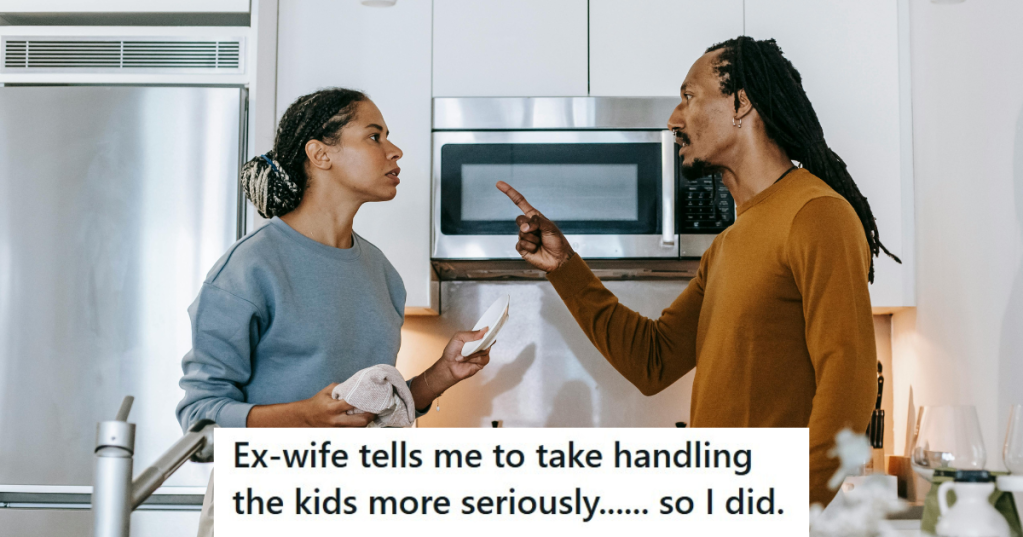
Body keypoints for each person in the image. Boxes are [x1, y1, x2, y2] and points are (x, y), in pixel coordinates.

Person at [497, 36, 900, 506]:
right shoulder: (726, 245)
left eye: (689, 96)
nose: (674, 119)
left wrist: (787, 509)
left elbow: (848, 387)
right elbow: (652, 360)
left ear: (741, 104)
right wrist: (564, 267)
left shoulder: (816, 214)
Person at [177, 87, 491, 432]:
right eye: (374, 137)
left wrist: (441, 374)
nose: (395, 151)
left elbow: (371, 410)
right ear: (321, 154)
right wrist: (303, 417)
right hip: (277, 470)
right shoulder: (249, 269)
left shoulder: (382, 273)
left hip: (357, 469)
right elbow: (199, 417)